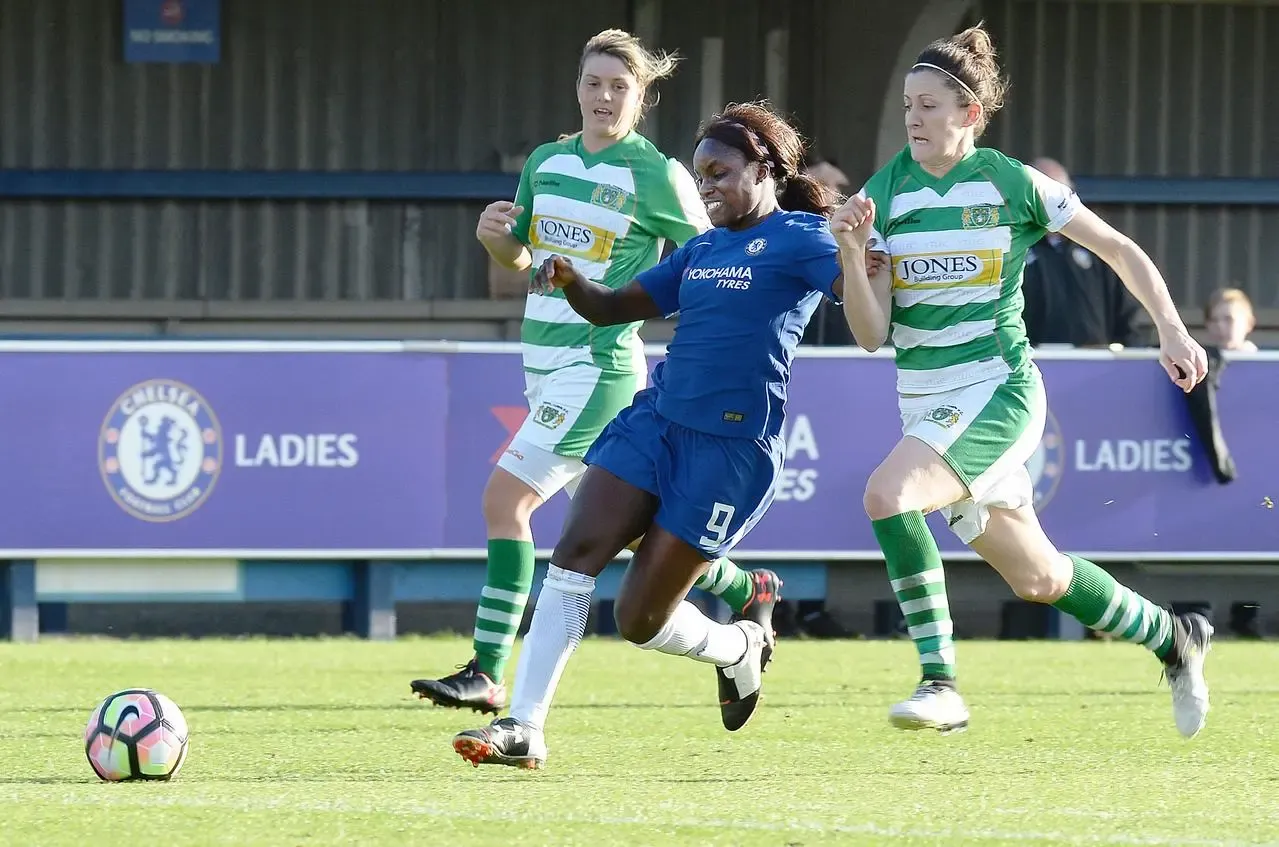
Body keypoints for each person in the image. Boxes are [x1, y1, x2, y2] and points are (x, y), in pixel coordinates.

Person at [833, 22, 1214, 739]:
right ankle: (1175, 637)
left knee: (888, 495)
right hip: (926, 406)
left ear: (969, 114)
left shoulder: (1010, 181)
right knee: (1037, 579)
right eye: (908, 104)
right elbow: (868, 334)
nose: (911, 117)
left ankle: (939, 681)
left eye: (927, 105)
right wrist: (851, 257)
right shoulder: (885, 193)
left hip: (996, 392)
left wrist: (1170, 326)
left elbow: (1116, 247)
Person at [452, 101, 848, 768]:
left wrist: (867, 252)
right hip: (655, 422)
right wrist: (573, 280)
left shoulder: (804, 239)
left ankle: (737, 646)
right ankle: (524, 725)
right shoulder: (700, 248)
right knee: (575, 549)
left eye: (719, 172)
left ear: (765, 169)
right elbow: (610, 309)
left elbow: (858, 296)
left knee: (638, 620)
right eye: (700, 176)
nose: (707, 187)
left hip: (728, 453)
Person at [410, 30, 782, 715]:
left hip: (598, 364)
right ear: (576, 88)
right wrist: (498, 243)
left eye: (619, 86)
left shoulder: (657, 173)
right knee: (626, 527)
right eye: (594, 83)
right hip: (542, 364)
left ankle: (487, 669)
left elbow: (714, 256)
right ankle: (745, 591)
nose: (604, 96)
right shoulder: (547, 163)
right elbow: (525, 263)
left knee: (505, 500)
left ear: (640, 98)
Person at [1020, 157, 1146, 349]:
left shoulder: (1098, 247)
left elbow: (1126, 313)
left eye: (1058, 195)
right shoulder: (1013, 245)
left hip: (1094, 365)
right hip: (1030, 363)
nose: (1051, 204)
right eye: (1043, 195)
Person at [1185, 287, 1259, 484]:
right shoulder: (1200, 364)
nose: (1220, 326)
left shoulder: (1267, 366)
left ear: (1249, 323)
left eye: (1228, 319)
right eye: (1214, 320)